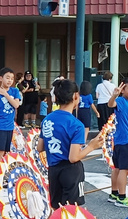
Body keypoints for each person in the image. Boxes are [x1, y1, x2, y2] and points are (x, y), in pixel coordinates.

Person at [38, 79, 105, 209]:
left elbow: (40, 147)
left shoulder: (47, 119)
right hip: (71, 171)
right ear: (76, 96)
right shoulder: (76, 125)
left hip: (53, 170)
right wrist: (91, 146)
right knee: (72, 211)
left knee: (56, 210)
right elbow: (73, 157)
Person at [107, 78, 128, 208]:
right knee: (124, 170)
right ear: (123, 89)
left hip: (120, 140)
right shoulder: (120, 100)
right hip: (126, 140)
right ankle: (122, 197)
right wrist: (115, 94)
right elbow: (110, 104)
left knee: (118, 168)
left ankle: (114, 193)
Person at [0, 67, 22, 171]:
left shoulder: (14, 91)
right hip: (0, 126)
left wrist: (6, 94)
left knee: (7, 151)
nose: (10, 80)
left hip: (10, 127)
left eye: (12, 78)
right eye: (7, 78)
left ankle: (3, 172)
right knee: (0, 151)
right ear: (0, 78)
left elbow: (16, 105)